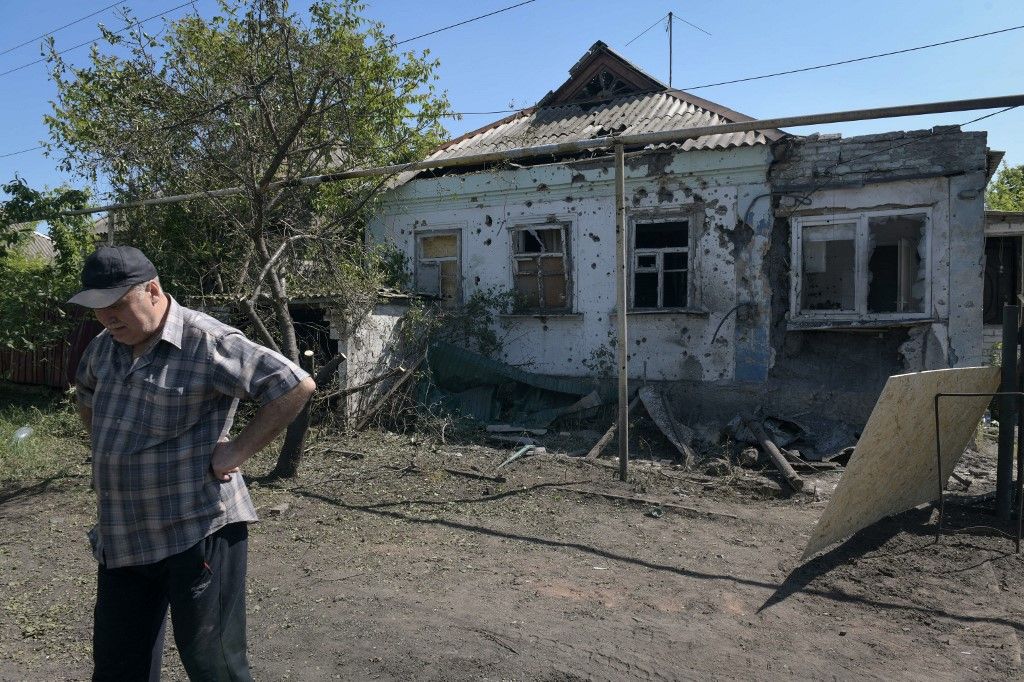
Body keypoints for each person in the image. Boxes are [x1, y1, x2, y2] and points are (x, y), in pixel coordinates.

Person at [71, 245, 316, 681]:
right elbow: (86, 393)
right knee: (117, 667)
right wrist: (107, 448)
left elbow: (293, 384)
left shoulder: (208, 341)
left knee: (213, 665)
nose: (107, 317)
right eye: (97, 309)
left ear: (152, 290)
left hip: (197, 529)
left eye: (115, 304)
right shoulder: (105, 348)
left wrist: (236, 451)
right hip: (124, 534)